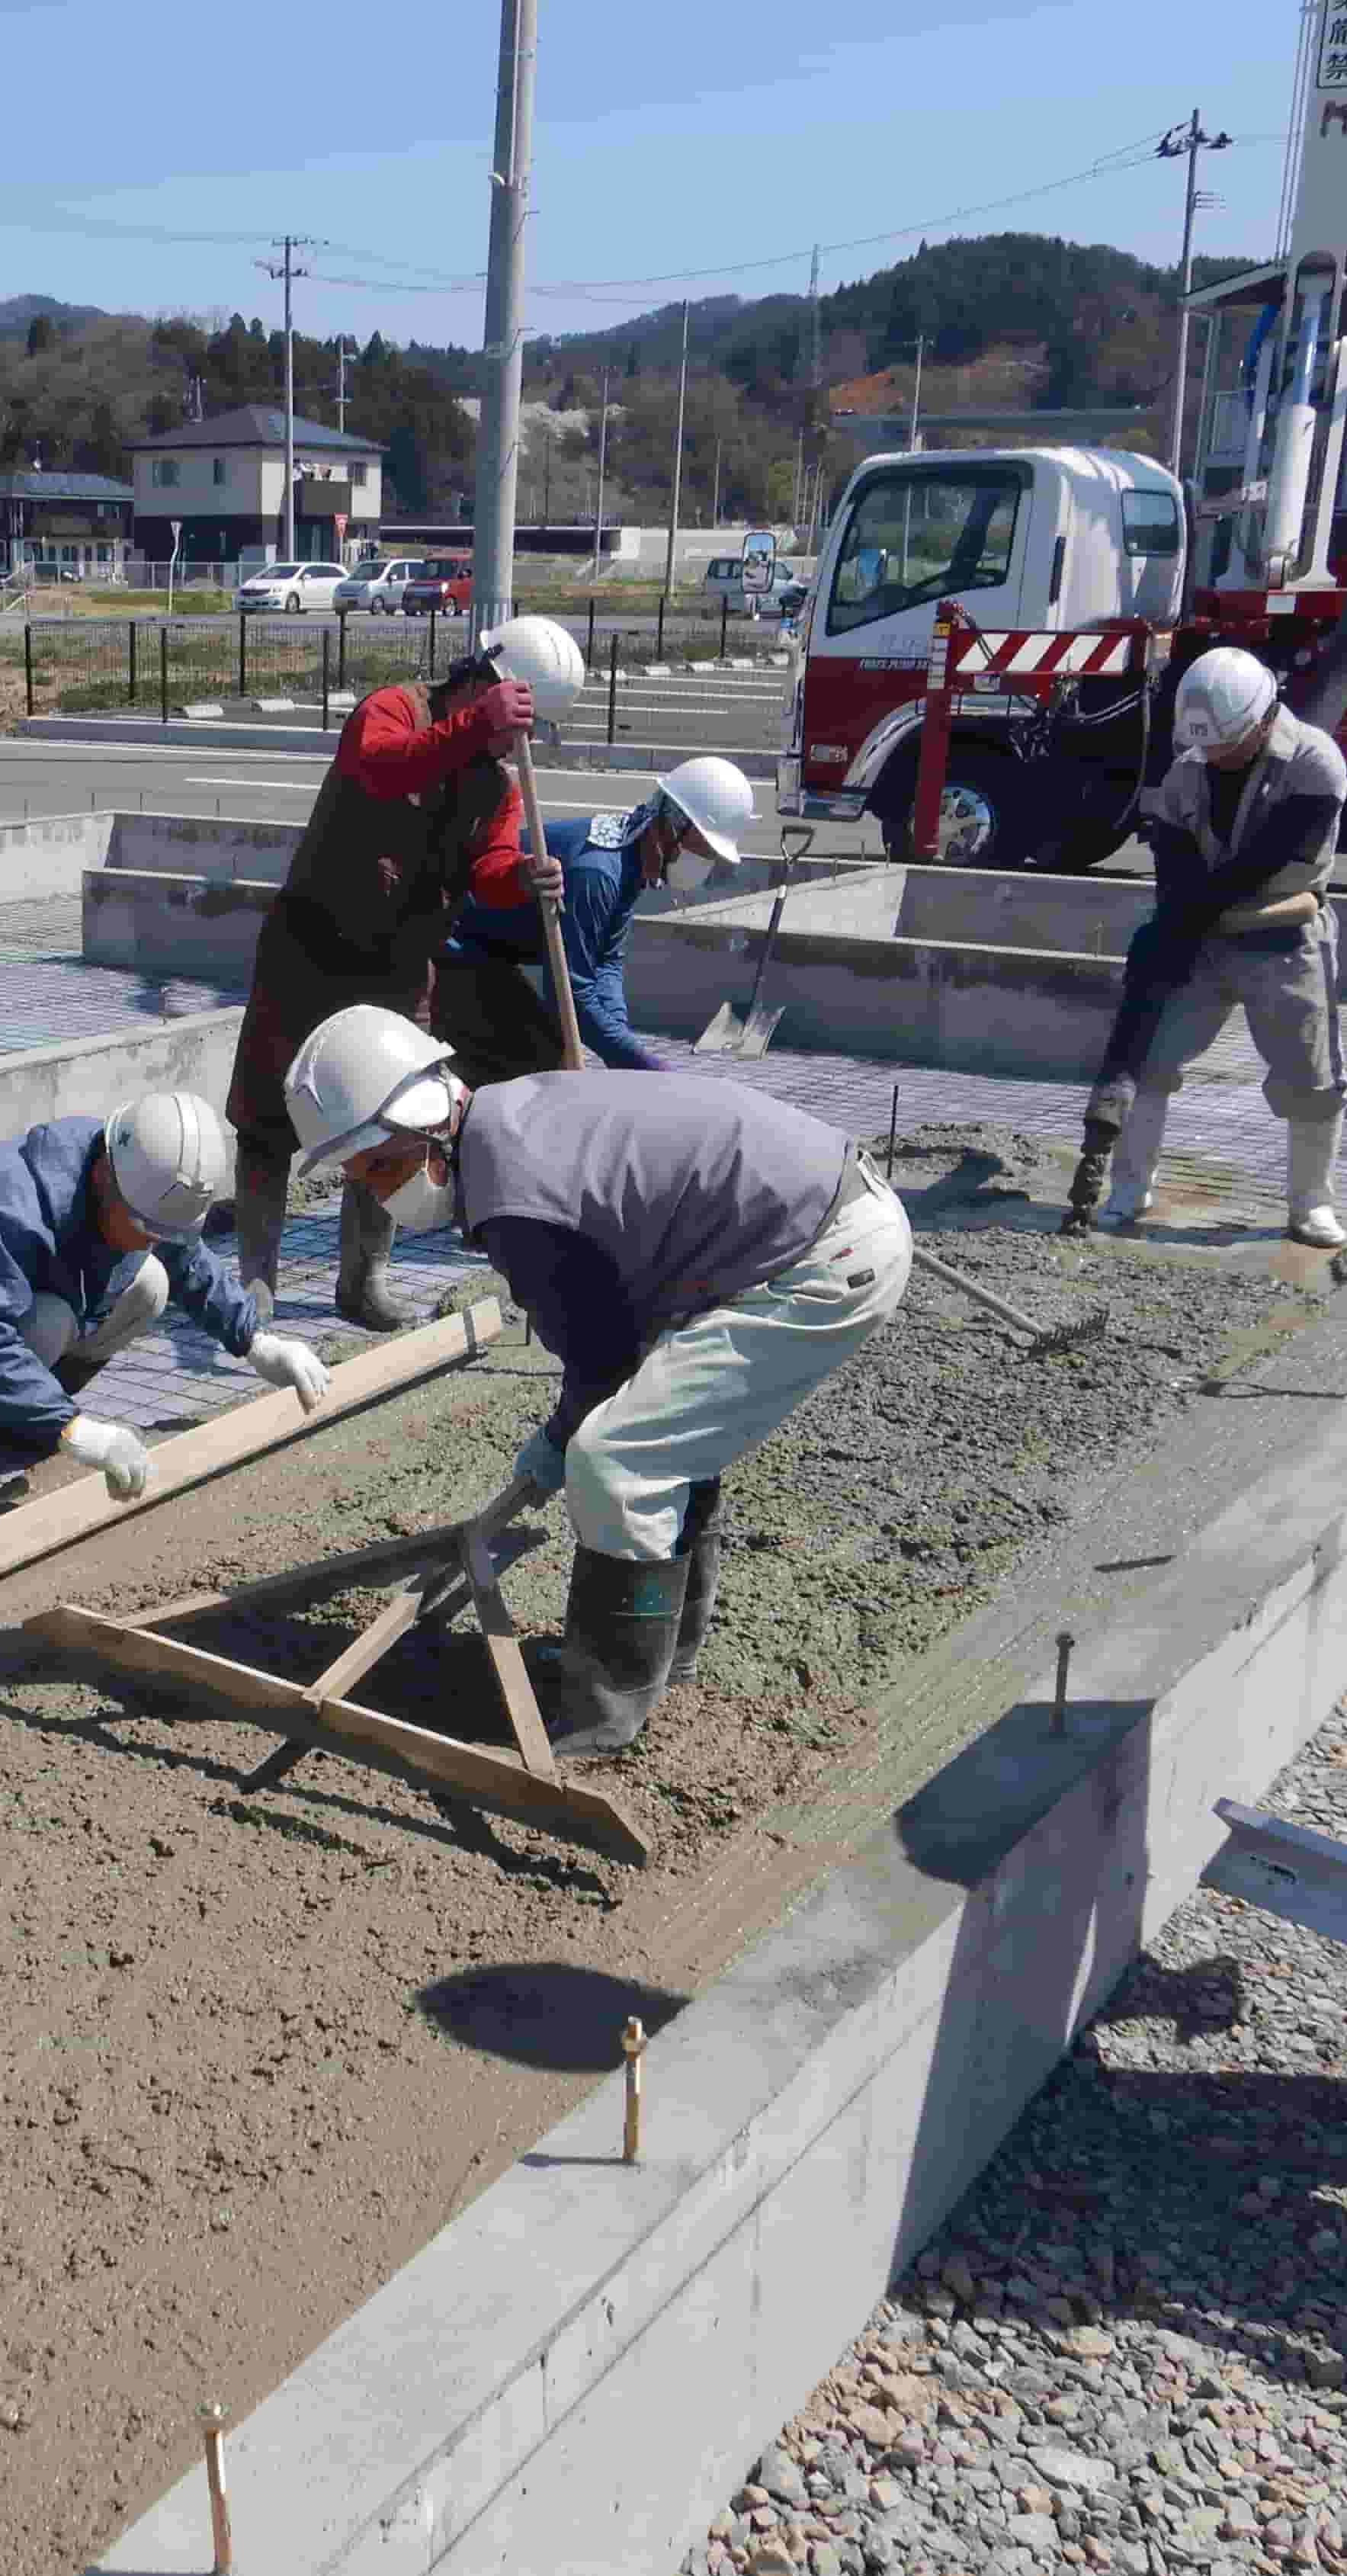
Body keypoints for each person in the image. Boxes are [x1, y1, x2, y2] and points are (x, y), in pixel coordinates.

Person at [284, 1003, 912, 1755]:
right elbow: (612, 1337)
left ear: (431, 1127)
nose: (379, 1192)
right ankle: (657, 1663)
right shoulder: (504, 1119)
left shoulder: (517, 1197)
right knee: (661, 1435)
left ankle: (600, 1719)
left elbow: (601, 1363)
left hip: (819, 1259)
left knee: (619, 1458)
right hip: (790, 1226)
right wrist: (563, 1432)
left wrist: (558, 1444)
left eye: (383, 1166)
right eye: (360, 1178)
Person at [226, 614, 583, 1333]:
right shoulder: (391, 710)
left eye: (528, 731)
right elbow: (382, 766)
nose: (517, 741)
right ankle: (254, 1290)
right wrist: (473, 724)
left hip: (399, 964)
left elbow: (487, 869)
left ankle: (362, 1283)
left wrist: (523, 876)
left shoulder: (497, 785)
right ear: (484, 683)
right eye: (516, 720)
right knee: (268, 1122)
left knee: (389, 1116)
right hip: (311, 948)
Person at [0, 1089, 335, 1497]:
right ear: (105, 1178)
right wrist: (74, 1430)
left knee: (149, 1283)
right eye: (144, 1227)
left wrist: (257, 1342)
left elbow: (187, 1257)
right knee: (48, 1320)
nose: (152, 1239)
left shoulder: (135, 1176)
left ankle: (20, 1420)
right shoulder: (14, 1202)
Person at [1086, 643, 1347, 1248]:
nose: (1213, 757)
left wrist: (1187, 915)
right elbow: (1175, 872)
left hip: (1285, 939)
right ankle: (1131, 1188)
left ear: (1263, 720)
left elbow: (1267, 867)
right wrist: (1169, 930)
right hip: (1204, 941)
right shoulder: (1189, 771)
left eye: (1224, 746)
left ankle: (1311, 1203)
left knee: (1311, 1083)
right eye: (1203, 747)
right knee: (1150, 1060)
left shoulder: (1315, 765)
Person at [434, 755, 756, 1081]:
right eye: (700, 850)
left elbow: (606, 961)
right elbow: (572, 989)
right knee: (533, 1062)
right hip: (454, 944)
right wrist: (637, 1062)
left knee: (549, 1052)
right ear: (672, 824)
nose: (702, 862)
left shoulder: (631, 858)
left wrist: (622, 1041)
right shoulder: (599, 872)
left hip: (492, 952)